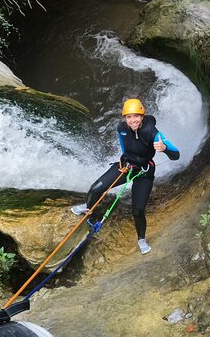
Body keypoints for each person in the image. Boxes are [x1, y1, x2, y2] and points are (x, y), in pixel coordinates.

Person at [71, 99, 180, 254]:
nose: (133, 120)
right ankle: (88, 208)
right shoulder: (121, 128)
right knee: (95, 188)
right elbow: (124, 146)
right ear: (124, 118)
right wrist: (123, 160)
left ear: (142, 116)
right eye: (129, 117)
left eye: (136, 116)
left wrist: (164, 149)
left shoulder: (152, 132)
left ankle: (141, 239)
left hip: (144, 171)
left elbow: (176, 154)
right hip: (126, 166)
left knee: (138, 210)